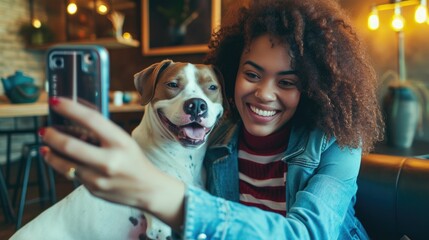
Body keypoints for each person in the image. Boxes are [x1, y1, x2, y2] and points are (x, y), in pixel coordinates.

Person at [39, 0, 384, 239]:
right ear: (231, 74)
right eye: (252, 74)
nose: (264, 93)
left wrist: (160, 194)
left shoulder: (337, 146)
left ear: (310, 86)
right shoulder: (214, 135)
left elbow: (306, 234)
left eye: (287, 82)